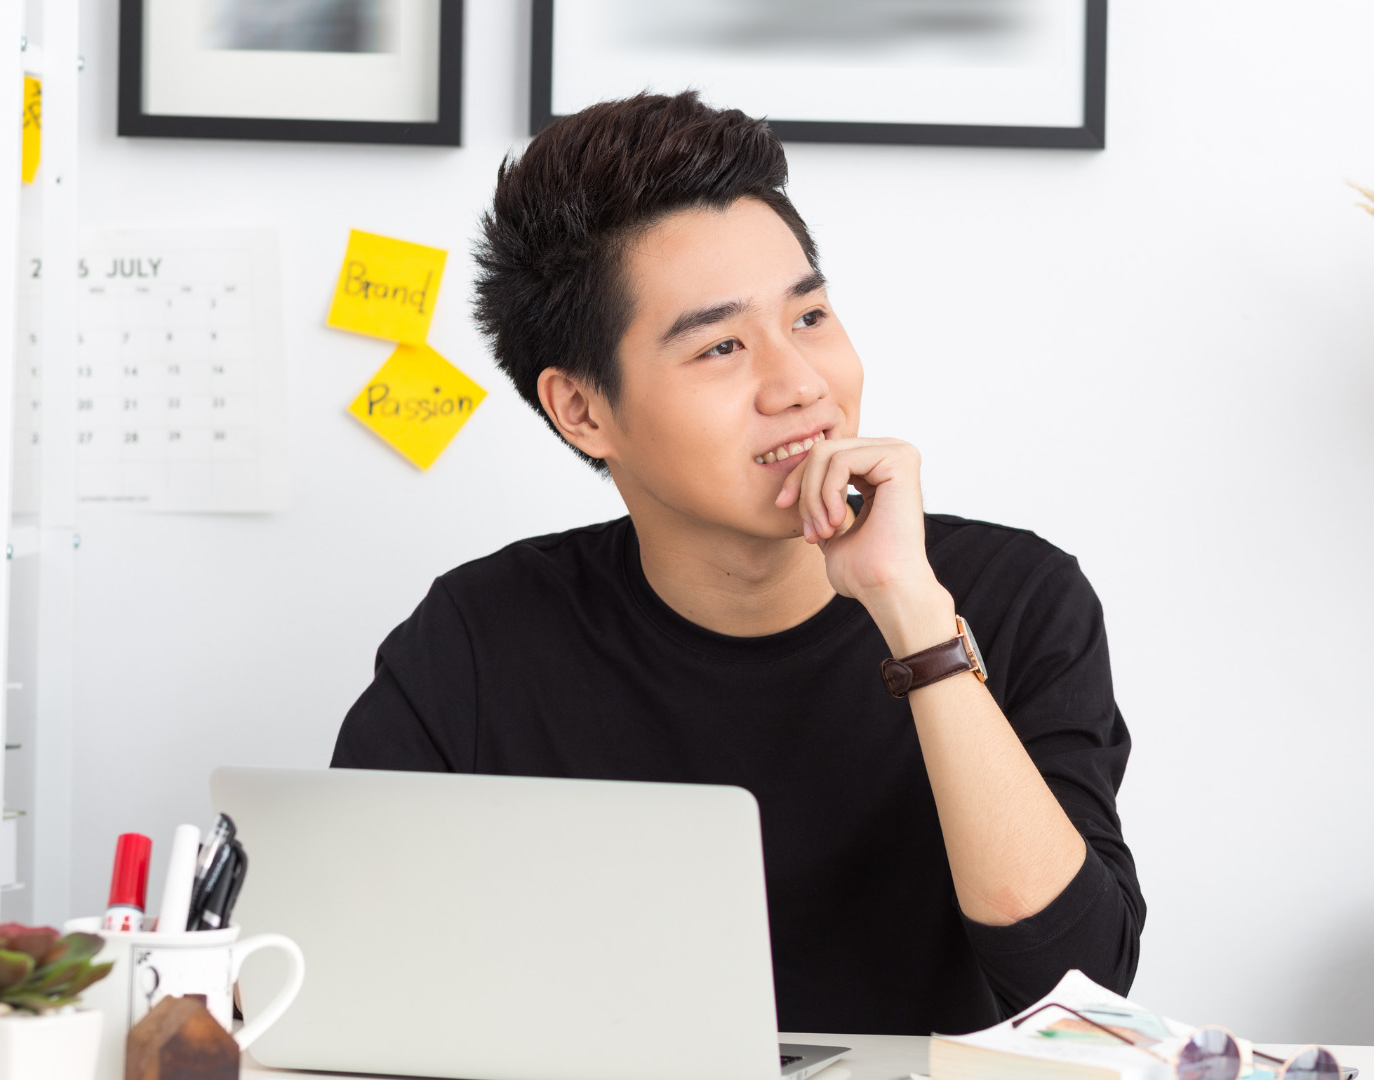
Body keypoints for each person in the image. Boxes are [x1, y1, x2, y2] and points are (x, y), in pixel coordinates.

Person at [332, 91, 1143, 1036]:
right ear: (582, 411)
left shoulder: (1017, 599)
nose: (800, 384)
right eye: (720, 346)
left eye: (809, 318)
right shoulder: (477, 638)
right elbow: (345, 973)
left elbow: (1076, 991)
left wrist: (912, 614)